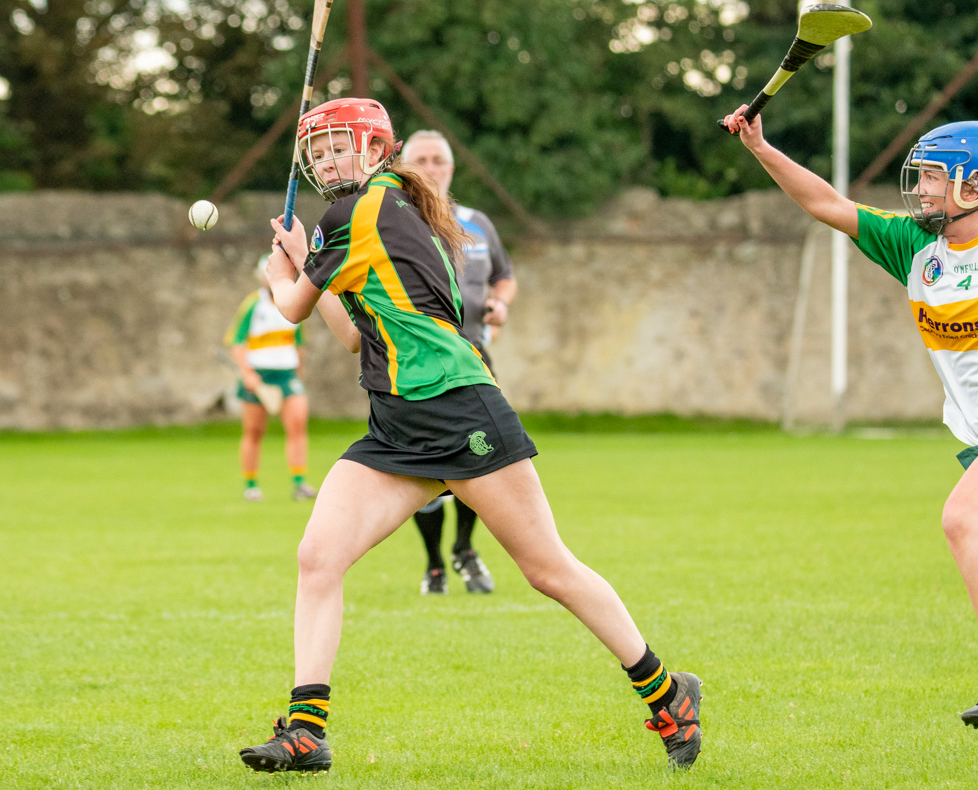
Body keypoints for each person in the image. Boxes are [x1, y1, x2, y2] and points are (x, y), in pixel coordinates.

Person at [237, 97, 703, 773]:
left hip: (457, 408)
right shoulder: (384, 206)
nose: (325, 161)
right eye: (317, 151)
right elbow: (345, 335)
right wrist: (305, 260)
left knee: (548, 570)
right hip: (396, 425)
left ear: (375, 151)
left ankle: (667, 694)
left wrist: (287, 265)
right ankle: (307, 729)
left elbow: (288, 308)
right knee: (318, 557)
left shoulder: (357, 211)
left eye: (339, 147)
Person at [723, 106, 978, 728]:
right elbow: (826, 205)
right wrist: (761, 146)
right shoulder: (914, 247)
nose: (919, 188)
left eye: (931, 176)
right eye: (920, 175)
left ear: (977, 186)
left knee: (963, 517)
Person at [401, 129, 518, 596]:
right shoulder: (396, 222)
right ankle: (433, 565)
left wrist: (501, 304)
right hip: (414, 365)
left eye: (438, 161)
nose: (431, 168)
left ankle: (464, 549)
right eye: (420, 160)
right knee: (423, 466)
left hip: (474, 358)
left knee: (482, 458)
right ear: (402, 167)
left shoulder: (477, 223)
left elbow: (505, 277)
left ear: (451, 168)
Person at [224, 254, 318, 501]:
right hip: (259, 376)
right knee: (254, 431)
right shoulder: (252, 304)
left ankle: (299, 484)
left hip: (287, 375)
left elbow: (298, 342)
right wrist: (248, 375)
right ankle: (251, 486)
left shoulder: (295, 303)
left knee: (297, 425)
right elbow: (236, 343)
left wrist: (299, 371)